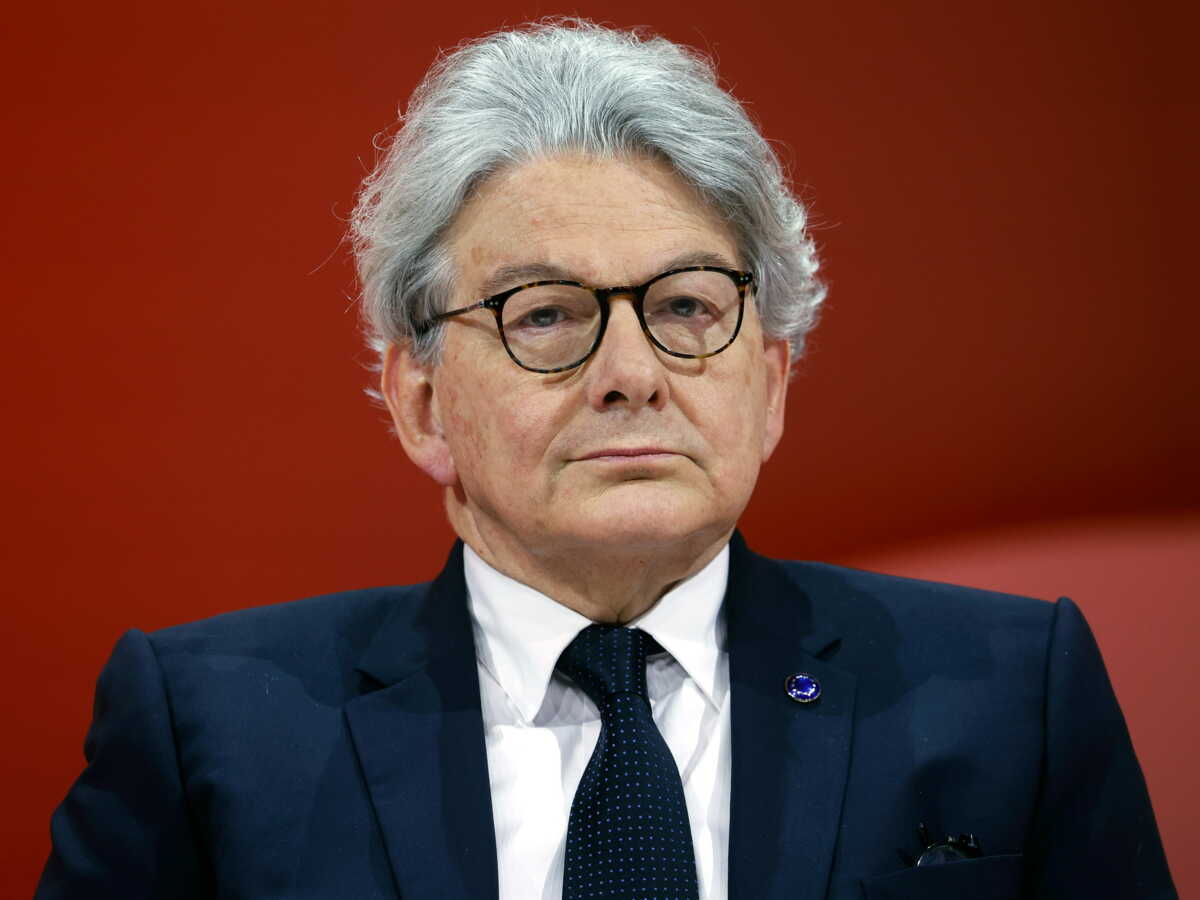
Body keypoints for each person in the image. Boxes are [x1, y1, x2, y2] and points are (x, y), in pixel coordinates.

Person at [38, 19, 1175, 900]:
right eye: (545, 314)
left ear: (771, 385)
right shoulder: (208, 730)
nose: (632, 373)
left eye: (686, 306)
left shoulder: (1011, 694)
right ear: (420, 402)